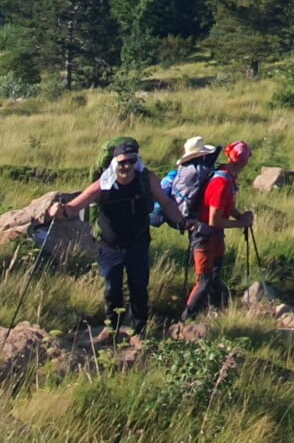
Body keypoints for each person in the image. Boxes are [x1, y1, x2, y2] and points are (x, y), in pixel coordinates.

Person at [59, 138, 191, 338]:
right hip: (109, 245)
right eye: (122, 162)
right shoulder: (102, 185)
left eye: (131, 161)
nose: (127, 166)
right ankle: (112, 328)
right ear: (115, 163)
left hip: (137, 242)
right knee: (112, 287)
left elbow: (166, 202)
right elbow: (73, 208)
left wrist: (182, 222)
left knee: (139, 286)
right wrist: (57, 211)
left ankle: (139, 330)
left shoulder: (147, 179)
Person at [181, 139, 255, 321]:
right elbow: (214, 220)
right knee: (204, 282)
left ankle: (215, 314)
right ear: (244, 160)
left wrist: (239, 216)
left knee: (214, 277)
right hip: (204, 237)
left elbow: (223, 208)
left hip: (212, 237)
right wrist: (240, 224)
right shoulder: (221, 183)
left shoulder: (226, 175)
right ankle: (185, 320)